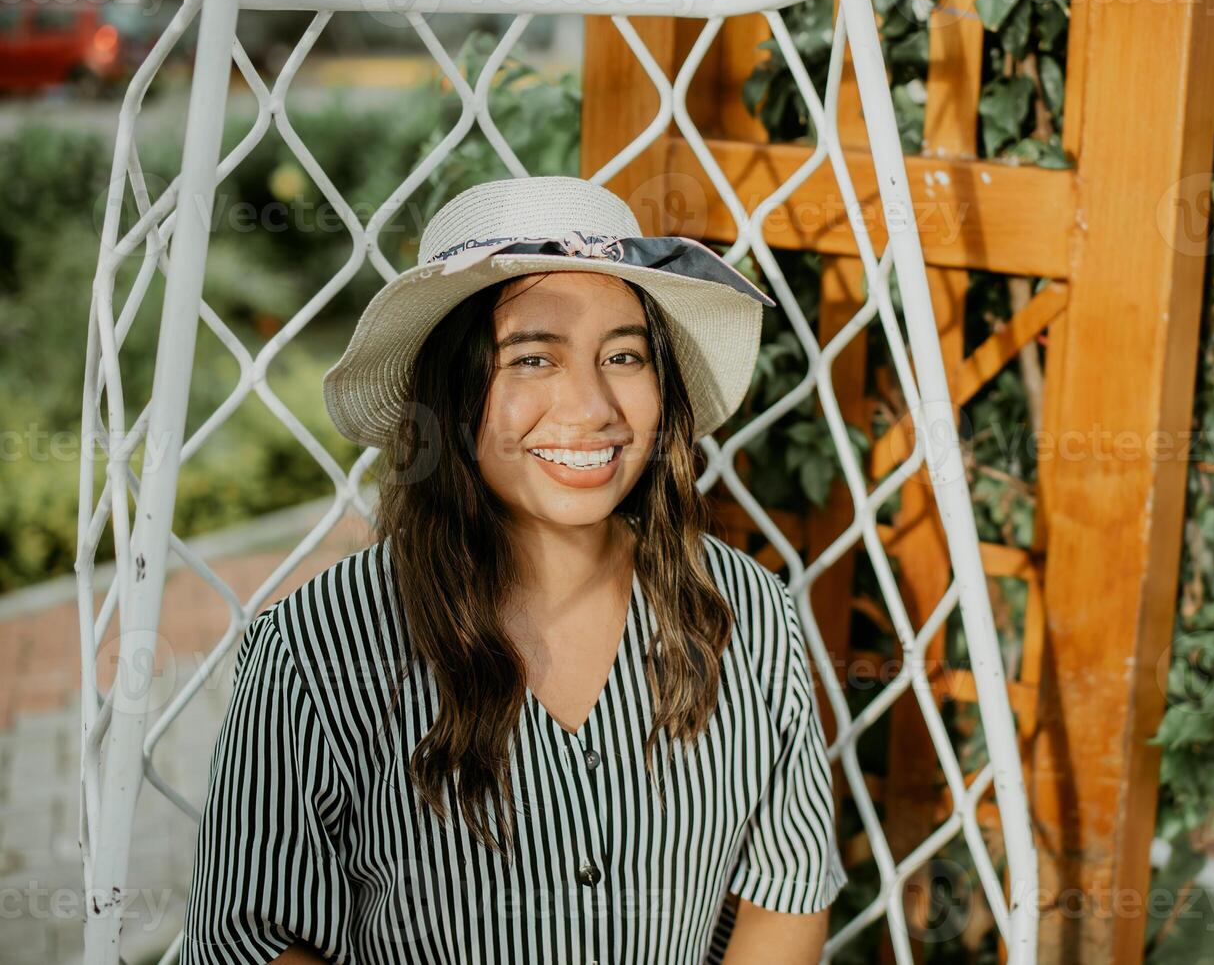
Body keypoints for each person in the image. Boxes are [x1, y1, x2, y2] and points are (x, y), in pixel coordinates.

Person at [182, 176, 847, 964]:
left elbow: (786, 896)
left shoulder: (747, 613)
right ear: (453, 394)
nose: (593, 405)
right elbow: (254, 939)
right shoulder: (314, 653)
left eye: (624, 355)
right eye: (532, 358)